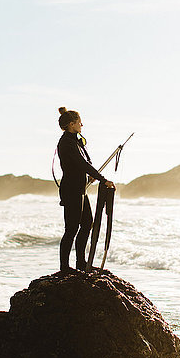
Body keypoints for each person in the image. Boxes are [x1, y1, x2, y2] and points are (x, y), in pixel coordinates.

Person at [57, 107, 115, 272]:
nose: (82, 124)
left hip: (80, 190)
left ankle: (81, 263)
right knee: (71, 229)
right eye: (79, 122)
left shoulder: (75, 140)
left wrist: (92, 176)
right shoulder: (66, 142)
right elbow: (81, 163)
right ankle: (64, 267)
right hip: (71, 190)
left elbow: (85, 163)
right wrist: (102, 179)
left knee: (87, 223)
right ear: (71, 124)